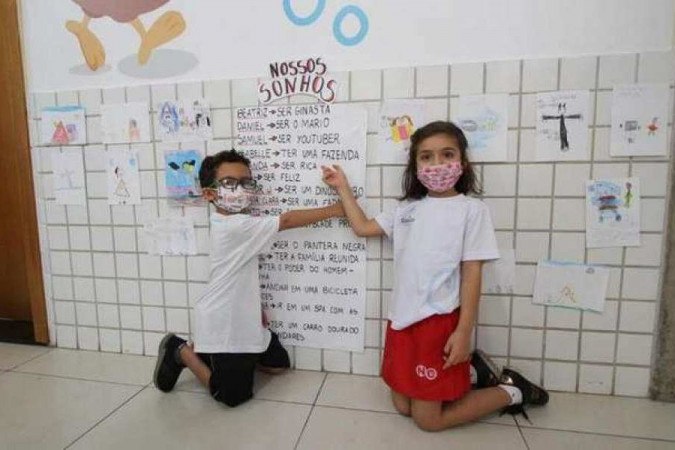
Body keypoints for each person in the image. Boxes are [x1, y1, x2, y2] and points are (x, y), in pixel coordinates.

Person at [322, 121, 548, 431]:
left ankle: (513, 390)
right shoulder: (406, 211)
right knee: (402, 405)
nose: (437, 164)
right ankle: (475, 373)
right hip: (401, 322)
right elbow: (362, 227)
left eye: (446, 154)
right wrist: (342, 187)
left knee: (427, 421)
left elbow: (472, 275)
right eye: (426, 157)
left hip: (438, 324)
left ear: (462, 162)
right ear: (415, 166)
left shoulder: (472, 210)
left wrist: (464, 331)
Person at [153, 149, 344, 407]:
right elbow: (287, 220)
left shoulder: (240, 223)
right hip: (224, 323)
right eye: (229, 184)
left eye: (246, 182)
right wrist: (337, 208)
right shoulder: (234, 226)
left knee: (279, 365)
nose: (240, 189)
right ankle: (179, 350)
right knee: (232, 396)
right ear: (209, 193)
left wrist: (255, 308)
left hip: (244, 318)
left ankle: (214, 354)